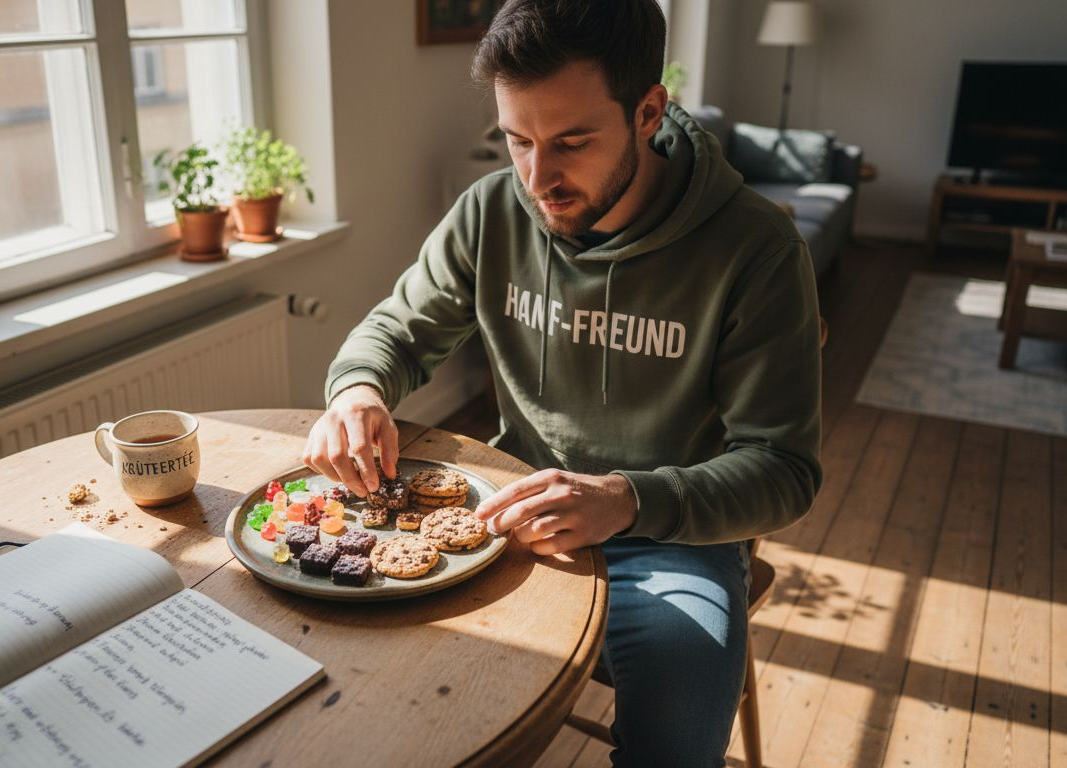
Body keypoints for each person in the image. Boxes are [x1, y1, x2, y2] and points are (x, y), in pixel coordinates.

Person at [303, 0, 822, 764]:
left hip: (671, 534)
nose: (537, 178)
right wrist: (358, 391)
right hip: (510, 508)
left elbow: (784, 470)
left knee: (676, 741)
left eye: (572, 142)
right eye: (517, 140)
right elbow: (397, 331)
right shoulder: (490, 212)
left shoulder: (756, 249)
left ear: (648, 112)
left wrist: (625, 498)